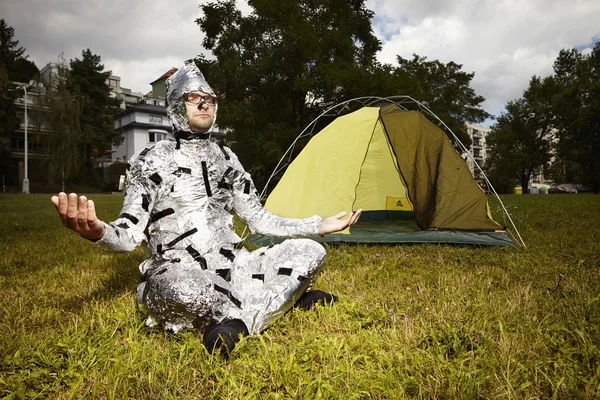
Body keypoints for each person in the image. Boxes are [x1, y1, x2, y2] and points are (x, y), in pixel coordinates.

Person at [51, 59, 361, 358]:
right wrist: (97, 231)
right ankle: (283, 301)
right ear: (176, 104)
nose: (204, 104)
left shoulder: (227, 158)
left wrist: (316, 226)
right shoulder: (151, 158)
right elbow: (129, 231)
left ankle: (239, 323)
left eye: (209, 99)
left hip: (233, 266)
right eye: (194, 98)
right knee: (186, 291)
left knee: (311, 251)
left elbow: (258, 218)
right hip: (179, 272)